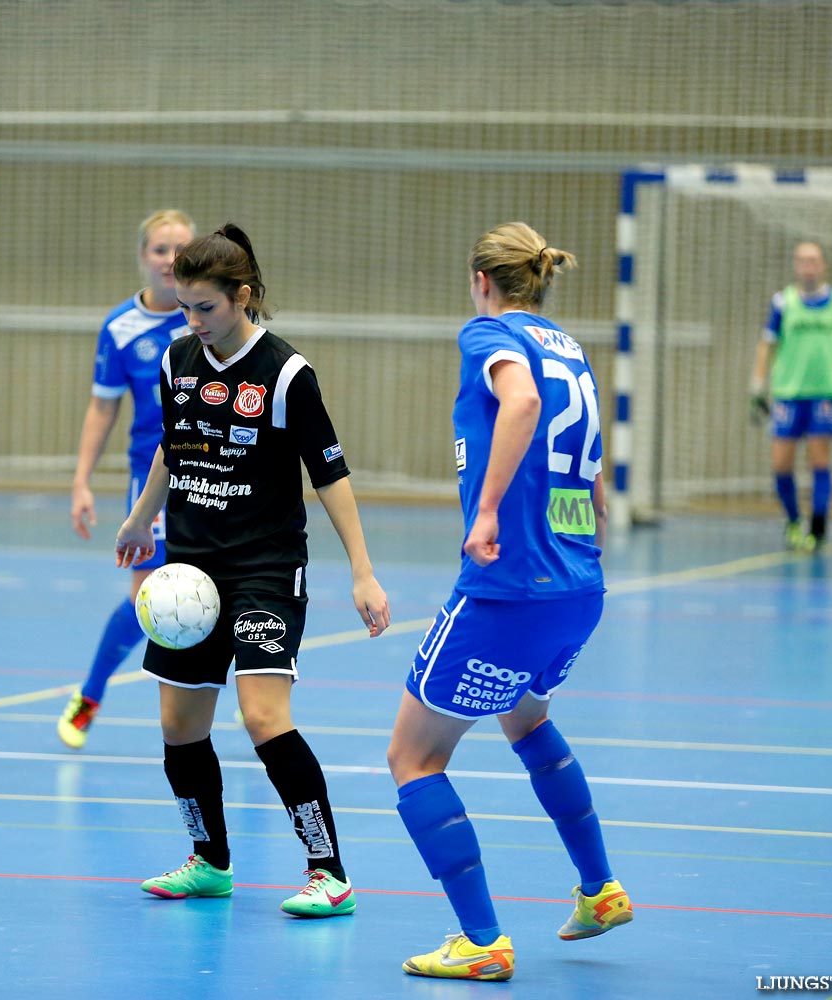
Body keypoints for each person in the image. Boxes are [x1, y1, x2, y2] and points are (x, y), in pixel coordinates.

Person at [115, 223, 391, 917]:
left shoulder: (287, 373)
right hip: (191, 571)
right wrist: (141, 518)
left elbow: (331, 476)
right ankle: (210, 862)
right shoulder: (178, 360)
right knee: (179, 727)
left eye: (205, 307)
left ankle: (329, 872)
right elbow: (171, 450)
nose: (193, 321)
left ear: (242, 298)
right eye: (185, 308)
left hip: (266, 567)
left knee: (262, 716)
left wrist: (362, 571)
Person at [385, 223, 632, 982]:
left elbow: (519, 401)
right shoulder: (571, 347)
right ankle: (601, 889)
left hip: (509, 587)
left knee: (413, 757)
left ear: (482, 280)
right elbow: (589, 467)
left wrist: (488, 510)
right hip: (575, 583)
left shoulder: (488, 333)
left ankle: (482, 938)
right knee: (526, 719)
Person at [61, 209, 196, 749]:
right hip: (152, 476)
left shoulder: (208, 316)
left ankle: (230, 695)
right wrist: (81, 481)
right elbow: (102, 408)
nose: (170, 260)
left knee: (225, 589)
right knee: (149, 601)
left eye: (181, 250)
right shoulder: (121, 327)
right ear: (144, 256)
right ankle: (90, 695)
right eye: (160, 249)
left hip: (216, 470)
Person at [749, 241, 832, 552]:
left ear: (823, 266)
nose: (808, 266)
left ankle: (819, 527)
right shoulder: (784, 302)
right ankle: (794, 521)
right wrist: (757, 385)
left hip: (825, 392)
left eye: (814, 260)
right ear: (796, 266)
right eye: (803, 261)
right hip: (788, 392)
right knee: (781, 463)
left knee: (819, 458)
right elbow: (766, 345)